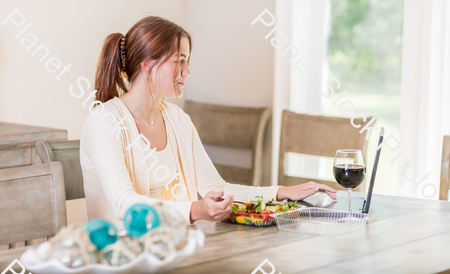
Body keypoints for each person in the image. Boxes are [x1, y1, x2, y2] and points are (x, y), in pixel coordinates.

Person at [80, 16, 337, 229]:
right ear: (147, 64)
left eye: (188, 62)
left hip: (177, 251)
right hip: (120, 259)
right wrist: (195, 209)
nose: (187, 72)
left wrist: (282, 192)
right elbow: (124, 204)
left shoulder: (178, 119)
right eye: (179, 61)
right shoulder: (104, 121)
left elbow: (217, 188)